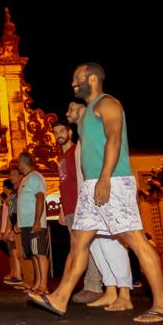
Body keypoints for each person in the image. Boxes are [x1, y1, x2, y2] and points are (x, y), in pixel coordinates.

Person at [29, 62, 163, 324]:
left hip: (113, 181)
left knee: (134, 239)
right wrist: (93, 183)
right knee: (79, 242)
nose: (73, 82)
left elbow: (114, 139)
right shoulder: (85, 116)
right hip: (91, 185)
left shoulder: (107, 104)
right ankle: (60, 297)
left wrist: (106, 178)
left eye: (78, 77)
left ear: (93, 78)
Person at [51, 115, 105, 304]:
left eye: (61, 131)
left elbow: (84, 179)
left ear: (70, 132)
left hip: (80, 206)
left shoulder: (77, 152)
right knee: (78, 248)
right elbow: (64, 184)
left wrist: (83, 206)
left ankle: (93, 286)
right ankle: (88, 285)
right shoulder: (63, 157)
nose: (58, 135)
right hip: (69, 208)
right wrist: (61, 209)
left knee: (84, 248)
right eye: (55, 132)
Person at [16, 152, 49, 295]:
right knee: (33, 255)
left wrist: (37, 221)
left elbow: (40, 199)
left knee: (40, 253)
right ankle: (37, 283)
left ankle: (44, 285)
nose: (18, 166)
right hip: (25, 224)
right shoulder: (26, 179)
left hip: (34, 224)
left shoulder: (35, 177)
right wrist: (19, 222)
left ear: (23, 163)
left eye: (18, 163)